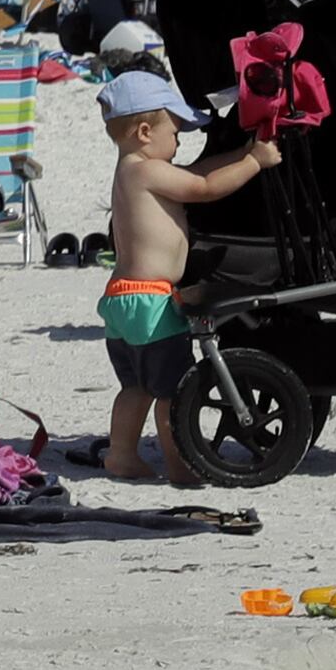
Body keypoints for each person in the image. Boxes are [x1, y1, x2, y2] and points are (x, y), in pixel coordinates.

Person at [92, 69, 274, 483]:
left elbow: (199, 169)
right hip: (152, 301)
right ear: (143, 131)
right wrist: (254, 162)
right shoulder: (147, 170)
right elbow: (206, 186)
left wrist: (243, 151)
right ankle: (181, 464)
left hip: (122, 300)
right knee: (173, 393)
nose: (178, 144)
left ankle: (121, 455)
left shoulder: (131, 169)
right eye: (175, 132)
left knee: (136, 387)